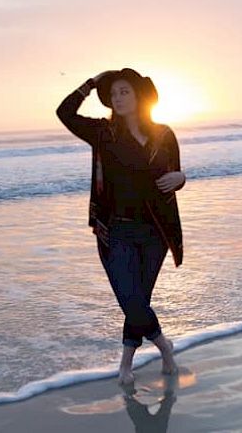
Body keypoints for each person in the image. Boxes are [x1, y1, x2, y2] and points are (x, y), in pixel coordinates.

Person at [56, 68, 186, 385]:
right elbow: (64, 112)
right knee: (132, 299)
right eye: (113, 94)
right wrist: (90, 83)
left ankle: (125, 364)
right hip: (117, 231)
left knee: (138, 301)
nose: (118, 97)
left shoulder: (164, 134)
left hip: (155, 231)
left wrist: (181, 179)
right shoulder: (102, 133)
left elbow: (175, 174)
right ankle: (164, 348)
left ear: (139, 95)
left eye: (124, 91)